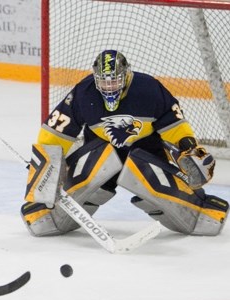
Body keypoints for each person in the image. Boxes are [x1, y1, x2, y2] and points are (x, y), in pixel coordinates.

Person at [21, 49, 227, 237]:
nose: (109, 86)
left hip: (146, 156)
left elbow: (175, 125)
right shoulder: (84, 93)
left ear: (127, 75)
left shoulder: (149, 89)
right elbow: (56, 132)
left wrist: (188, 149)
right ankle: (51, 213)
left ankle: (199, 209)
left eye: (114, 81)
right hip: (100, 157)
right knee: (78, 187)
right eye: (103, 81)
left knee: (177, 207)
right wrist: (46, 164)